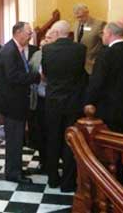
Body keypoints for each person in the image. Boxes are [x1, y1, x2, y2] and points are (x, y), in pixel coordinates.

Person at [42, 20, 87, 192]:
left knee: (53, 139)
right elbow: (80, 74)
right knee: (71, 141)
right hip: (73, 102)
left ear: (56, 32)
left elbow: (45, 73)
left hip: (53, 101)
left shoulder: (47, 50)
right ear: (68, 33)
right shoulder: (80, 49)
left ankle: (53, 178)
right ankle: (68, 182)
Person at [0, 22, 40, 184]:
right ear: (18, 33)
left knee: (17, 139)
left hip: (16, 103)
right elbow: (14, 77)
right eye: (28, 33)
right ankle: (13, 173)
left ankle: (16, 168)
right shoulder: (9, 51)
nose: (31, 35)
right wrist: (37, 77)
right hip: (12, 104)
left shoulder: (14, 49)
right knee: (14, 140)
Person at [85, 22, 123, 135]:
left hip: (108, 109)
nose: (103, 36)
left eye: (104, 33)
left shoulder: (106, 54)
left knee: (109, 144)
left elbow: (97, 81)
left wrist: (89, 101)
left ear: (110, 34)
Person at [28, 29, 58, 173]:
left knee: (53, 133)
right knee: (40, 133)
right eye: (41, 46)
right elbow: (30, 72)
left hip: (53, 99)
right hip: (38, 99)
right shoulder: (36, 56)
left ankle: (53, 162)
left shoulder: (59, 57)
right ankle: (43, 162)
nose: (42, 48)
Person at [73, 3, 106, 74]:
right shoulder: (76, 24)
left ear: (87, 13)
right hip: (78, 63)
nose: (79, 19)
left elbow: (106, 42)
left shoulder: (99, 24)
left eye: (81, 16)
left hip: (92, 63)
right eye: (77, 17)